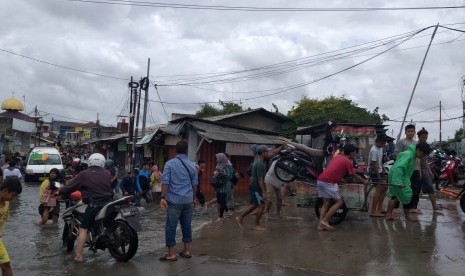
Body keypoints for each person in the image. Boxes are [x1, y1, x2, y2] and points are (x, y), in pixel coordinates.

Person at [57, 153, 113, 263]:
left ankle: (78, 256)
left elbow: (70, 187)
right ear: (102, 162)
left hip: (94, 205)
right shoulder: (107, 173)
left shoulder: (83, 174)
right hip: (109, 203)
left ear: (90, 162)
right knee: (109, 224)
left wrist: (60, 191)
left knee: (83, 229)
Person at [159, 140, 198, 261]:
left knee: (171, 226)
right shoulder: (193, 165)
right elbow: (195, 184)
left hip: (174, 201)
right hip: (188, 200)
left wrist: (162, 197)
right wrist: (194, 198)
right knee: (186, 225)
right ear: (186, 151)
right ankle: (186, 251)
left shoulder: (169, 164)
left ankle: (171, 254)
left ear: (176, 150)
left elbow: (165, 181)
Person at [316, 144, 368, 230]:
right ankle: (324, 221)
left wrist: (340, 178)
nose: (355, 154)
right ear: (351, 152)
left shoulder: (337, 157)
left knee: (326, 203)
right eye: (355, 152)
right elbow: (353, 175)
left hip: (321, 180)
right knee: (339, 202)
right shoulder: (348, 161)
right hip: (328, 182)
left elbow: (335, 169)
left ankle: (320, 225)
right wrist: (363, 181)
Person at [385, 143, 432, 221]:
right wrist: (398, 182)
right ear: (419, 150)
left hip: (397, 176)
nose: (422, 156)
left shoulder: (412, 154)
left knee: (395, 195)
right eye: (423, 154)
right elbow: (398, 168)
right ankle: (407, 216)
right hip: (399, 177)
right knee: (407, 194)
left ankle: (388, 214)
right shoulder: (409, 155)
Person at [235, 145, 269, 231]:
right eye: (266, 151)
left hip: (254, 185)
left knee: (255, 204)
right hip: (256, 187)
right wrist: (264, 192)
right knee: (261, 204)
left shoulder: (258, 161)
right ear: (263, 153)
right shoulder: (260, 163)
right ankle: (256, 225)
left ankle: (240, 217)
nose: (268, 153)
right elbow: (260, 179)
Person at [411, 128, 441, 211]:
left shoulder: (426, 146)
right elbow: (417, 160)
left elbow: (426, 160)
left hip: (424, 169)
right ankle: (413, 207)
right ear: (418, 137)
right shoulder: (416, 146)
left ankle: (434, 205)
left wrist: (430, 171)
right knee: (415, 189)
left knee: (430, 187)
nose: (424, 139)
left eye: (425, 137)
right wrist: (419, 172)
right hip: (415, 169)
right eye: (422, 137)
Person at [0, 177, 22, 276]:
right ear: (5, 191)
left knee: (6, 265)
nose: (13, 198)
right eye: (12, 195)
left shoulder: (6, 204)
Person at [368, 135, 388, 217]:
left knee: (385, 187)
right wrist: (378, 176)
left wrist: (383, 167)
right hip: (374, 172)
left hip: (380, 170)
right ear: (377, 142)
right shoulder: (374, 150)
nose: (383, 145)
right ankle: (373, 210)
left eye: (384, 143)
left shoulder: (380, 148)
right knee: (379, 189)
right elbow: (374, 164)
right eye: (382, 143)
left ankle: (380, 208)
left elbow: (380, 160)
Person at [212, 153, 233, 222]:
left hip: (225, 186)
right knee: (219, 200)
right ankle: (226, 211)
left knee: (222, 200)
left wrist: (225, 174)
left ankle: (221, 216)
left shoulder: (228, 166)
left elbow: (230, 176)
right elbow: (216, 175)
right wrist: (215, 174)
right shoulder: (218, 166)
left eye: (218, 158)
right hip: (219, 185)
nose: (217, 159)